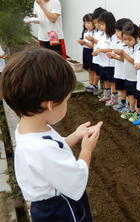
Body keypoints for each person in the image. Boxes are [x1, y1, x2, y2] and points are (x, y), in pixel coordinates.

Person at [1, 48, 103, 221]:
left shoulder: (28, 128)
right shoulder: (41, 149)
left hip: (45, 206)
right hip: (60, 209)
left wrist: (75, 136)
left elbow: (53, 147)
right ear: (49, 105)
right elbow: (77, 181)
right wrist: (87, 150)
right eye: (66, 100)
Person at [116, 22, 140, 122]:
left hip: (136, 77)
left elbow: (134, 62)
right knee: (130, 94)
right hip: (127, 76)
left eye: (129, 39)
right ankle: (131, 110)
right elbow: (124, 60)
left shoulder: (139, 48)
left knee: (137, 96)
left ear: (136, 37)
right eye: (125, 39)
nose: (127, 42)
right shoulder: (125, 47)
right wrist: (118, 55)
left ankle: (139, 112)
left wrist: (123, 53)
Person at [93, 11, 118, 106]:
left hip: (111, 64)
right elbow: (98, 47)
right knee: (105, 80)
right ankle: (106, 95)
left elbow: (112, 49)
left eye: (103, 24)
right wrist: (95, 52)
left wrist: (101, 50)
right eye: (100, 24)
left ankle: (114, 98)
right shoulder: (103, 36)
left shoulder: (114, 36)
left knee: (112, 82)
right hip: (102, 63)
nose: (100, 26)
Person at [106, 18, 132, 112]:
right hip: (118, 71)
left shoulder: (127, 45)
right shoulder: (117, 43)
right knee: (121, 88)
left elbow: (124, 59)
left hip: (126, 72)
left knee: (127, 89)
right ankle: (123, 102)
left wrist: (114, 56)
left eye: (118, 31)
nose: (116, 33)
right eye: (116, 31)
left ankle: (128, 105)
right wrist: (112, 55)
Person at [86, 7, 107, 97]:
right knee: (99, 72)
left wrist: (93, 40)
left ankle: (103, 90)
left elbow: (104, 45)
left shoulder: (106, 33)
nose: (97, 25)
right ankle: (101, 89)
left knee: (103, 75)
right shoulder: (98, 32)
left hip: (104, 58)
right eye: (95, 23)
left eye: (98, 23)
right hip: (98, 56)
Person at [77, 13, 98, 94]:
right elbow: (85, 43)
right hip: (85, 51)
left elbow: (93, 45)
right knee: (89, 69)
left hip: (92, 52)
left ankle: (94, 84)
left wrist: (85, 43)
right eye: (85, 23)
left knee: (93, 69)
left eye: (89, 23)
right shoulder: (85, 32)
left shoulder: (95, 33)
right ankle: (91, 83)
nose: (87, 25)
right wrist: (82, 42)